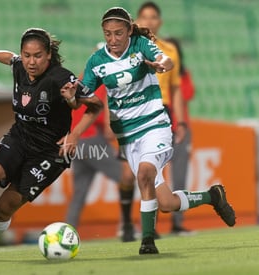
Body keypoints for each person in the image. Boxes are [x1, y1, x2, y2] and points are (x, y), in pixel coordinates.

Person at [80, 7, 235, 255]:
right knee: (166, 203)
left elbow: (167, 62)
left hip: (155, 123)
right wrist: (70, 96)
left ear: (129, 30)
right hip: (127, 135)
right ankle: (212, 196)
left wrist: (161, 65)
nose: (112, 39)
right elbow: (83, 93)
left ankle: (147, 240)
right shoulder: (98, 59)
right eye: (108, 34)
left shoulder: (143, 45)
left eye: (118, 33)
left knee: (143, 174)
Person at [0, 28, 103, 261]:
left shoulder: (61, 78)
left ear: (48, 55)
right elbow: (9, 58)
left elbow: (95, 105)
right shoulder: (19, 66)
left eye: (37, 55)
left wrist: (75, 135)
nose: (31, 61)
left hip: (50, 152)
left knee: (6, 207)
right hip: (20, 137)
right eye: (27, 55)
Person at [135, 1, 191, 234]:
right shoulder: (130, 49)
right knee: (139, 172)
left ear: (160, 22)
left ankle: (160, 226)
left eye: (153, 17)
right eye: (144, 17)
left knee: (156, 170)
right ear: (137, 20)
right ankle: (139, 226)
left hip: (162, 111)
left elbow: (177, 89)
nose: (149, 21)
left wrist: (182, 121)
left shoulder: (170, 50)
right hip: (136, 112)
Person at [65, 77, 136, 242]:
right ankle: (126, 225)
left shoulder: (78, 83)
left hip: (76, 143)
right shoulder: (104, 86)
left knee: (79, 192)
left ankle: (67, 232)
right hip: (93, 142)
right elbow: (107, 127)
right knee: (126, 178)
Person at [165, 36, 196, 234]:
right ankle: (149, 225)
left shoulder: (182, 75)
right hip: (162, 129)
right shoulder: (158, 75)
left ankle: (177, 223)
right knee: (152, 178)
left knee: (179, 178)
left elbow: (187, 93)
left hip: (181, 130)